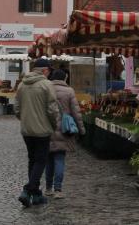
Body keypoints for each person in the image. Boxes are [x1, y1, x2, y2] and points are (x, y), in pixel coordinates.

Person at [15, 58, 60, 208]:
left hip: (26, 130)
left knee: (32, 160)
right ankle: (27, 191)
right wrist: (55, 125)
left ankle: (36, 195)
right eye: (49, 71)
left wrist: (24, 119)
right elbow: (52, 110)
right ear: (45, 70)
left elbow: (16, 108)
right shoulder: (47, 85)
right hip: (42, 130)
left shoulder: (22, 84)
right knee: (41, 161)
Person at [44, 68, 85, 198]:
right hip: (63, 129)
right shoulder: (69, 91)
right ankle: (58, 190)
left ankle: (48, 188)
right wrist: (82, 129)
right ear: (64, 78)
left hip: (47, 128)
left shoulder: (46, 89)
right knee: (60, 159)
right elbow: (76, 113)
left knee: (49, 160)